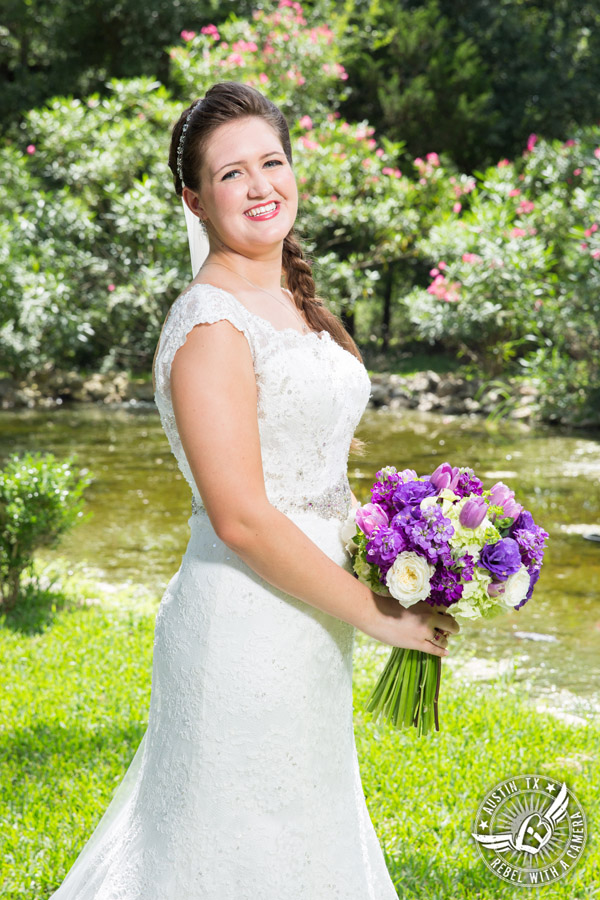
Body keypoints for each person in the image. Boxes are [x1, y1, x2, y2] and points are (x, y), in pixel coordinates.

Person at [47, 80, 459, 899]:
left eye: (271, 161)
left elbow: (315, 470)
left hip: (310, 623)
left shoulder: (290, 302)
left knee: (303, 839)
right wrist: (381, 615)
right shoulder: (210, 324)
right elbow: (239, 516)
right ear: (195, 200)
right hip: (242, 624)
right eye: (232, 174)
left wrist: (413, 547)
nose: (261, 185)